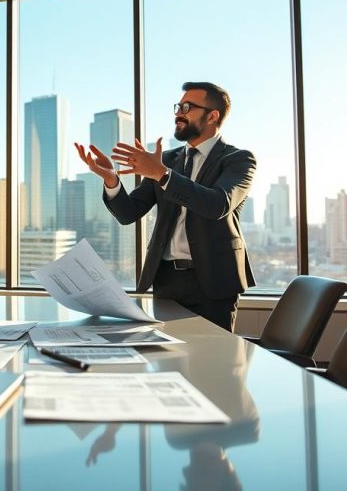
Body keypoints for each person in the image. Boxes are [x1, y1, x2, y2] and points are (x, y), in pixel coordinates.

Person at [74, 82, 255, 331]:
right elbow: (129, 213)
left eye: (187, 107)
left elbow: (217, 204)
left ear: (212, 116)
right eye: (178, 106)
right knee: (169, 358)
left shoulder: (238, 159)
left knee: (214, 363)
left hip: (213, 282)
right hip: (166, 280)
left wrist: (162, 175)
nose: (178, 113)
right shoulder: (168, 160)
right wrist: (111, 179)